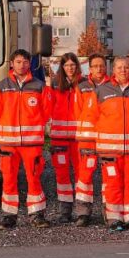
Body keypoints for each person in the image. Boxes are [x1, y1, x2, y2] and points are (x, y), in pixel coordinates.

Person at [86, 57, 129, 231]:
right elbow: (92, 117)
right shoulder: (102, 90)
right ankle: (114, 219)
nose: (123, 70)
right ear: (113, 70)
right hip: (110, 151)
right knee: (113, 184)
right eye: (120, 67)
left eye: (126, 67)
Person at [0, 49, 52, 229]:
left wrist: (33, 127)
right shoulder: (1, 86)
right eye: (18, 61)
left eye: (25, 62)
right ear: (11, 63)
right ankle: (9, 216)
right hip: (8, 144)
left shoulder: (39, 86)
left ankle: (37, 215)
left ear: (29, 64)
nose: (22, 65)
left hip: (31, 144)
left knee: (34, 178)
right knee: (9, 179)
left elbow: (46, 111)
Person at [73, 53, 107, 226]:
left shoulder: (113, 86)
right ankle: (83, 213)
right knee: (84, 177)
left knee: (109, 177)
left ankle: (109, 211)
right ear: (90, 69)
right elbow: (78, 113)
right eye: (95, 66)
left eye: (101, 65)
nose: (99, 69)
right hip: (87, 140)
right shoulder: (82, 87)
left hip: (108, 139)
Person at [50, 53, 82, 223]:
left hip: (79, 138)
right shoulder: (55, 84)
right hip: (60, 138)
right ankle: (65, 211)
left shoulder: (84, 84)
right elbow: (49, 107)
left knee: (81, 175)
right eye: (67, 65)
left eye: (73, 65)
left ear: (77, 66)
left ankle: (81, 211)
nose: (70, 68)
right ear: (62, 67)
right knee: (62, 176)